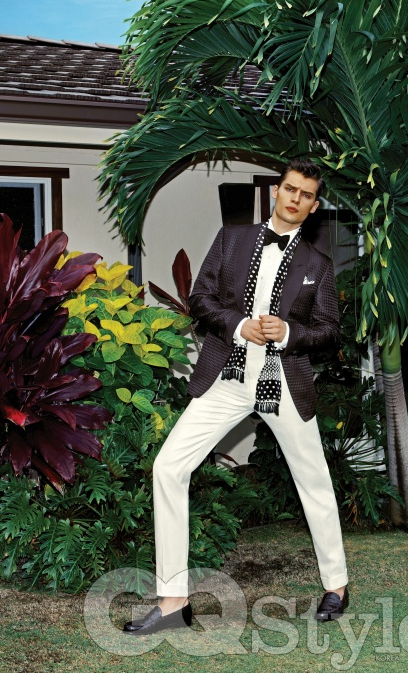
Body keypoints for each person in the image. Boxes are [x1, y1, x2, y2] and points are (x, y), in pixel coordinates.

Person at [124, 158, 349, 635]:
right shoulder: (231, 239)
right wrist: (238, 324)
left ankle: (337, 585)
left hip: (283, 379)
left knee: (313, 481)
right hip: (227, 375)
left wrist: (289, 332)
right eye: (291, 189)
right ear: (277, 191)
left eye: (307, 195)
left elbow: (330, 331)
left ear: (313, 207)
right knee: (168, 467)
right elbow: (200, 300)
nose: (296, 199)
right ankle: (173, 601)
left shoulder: (318, 265)